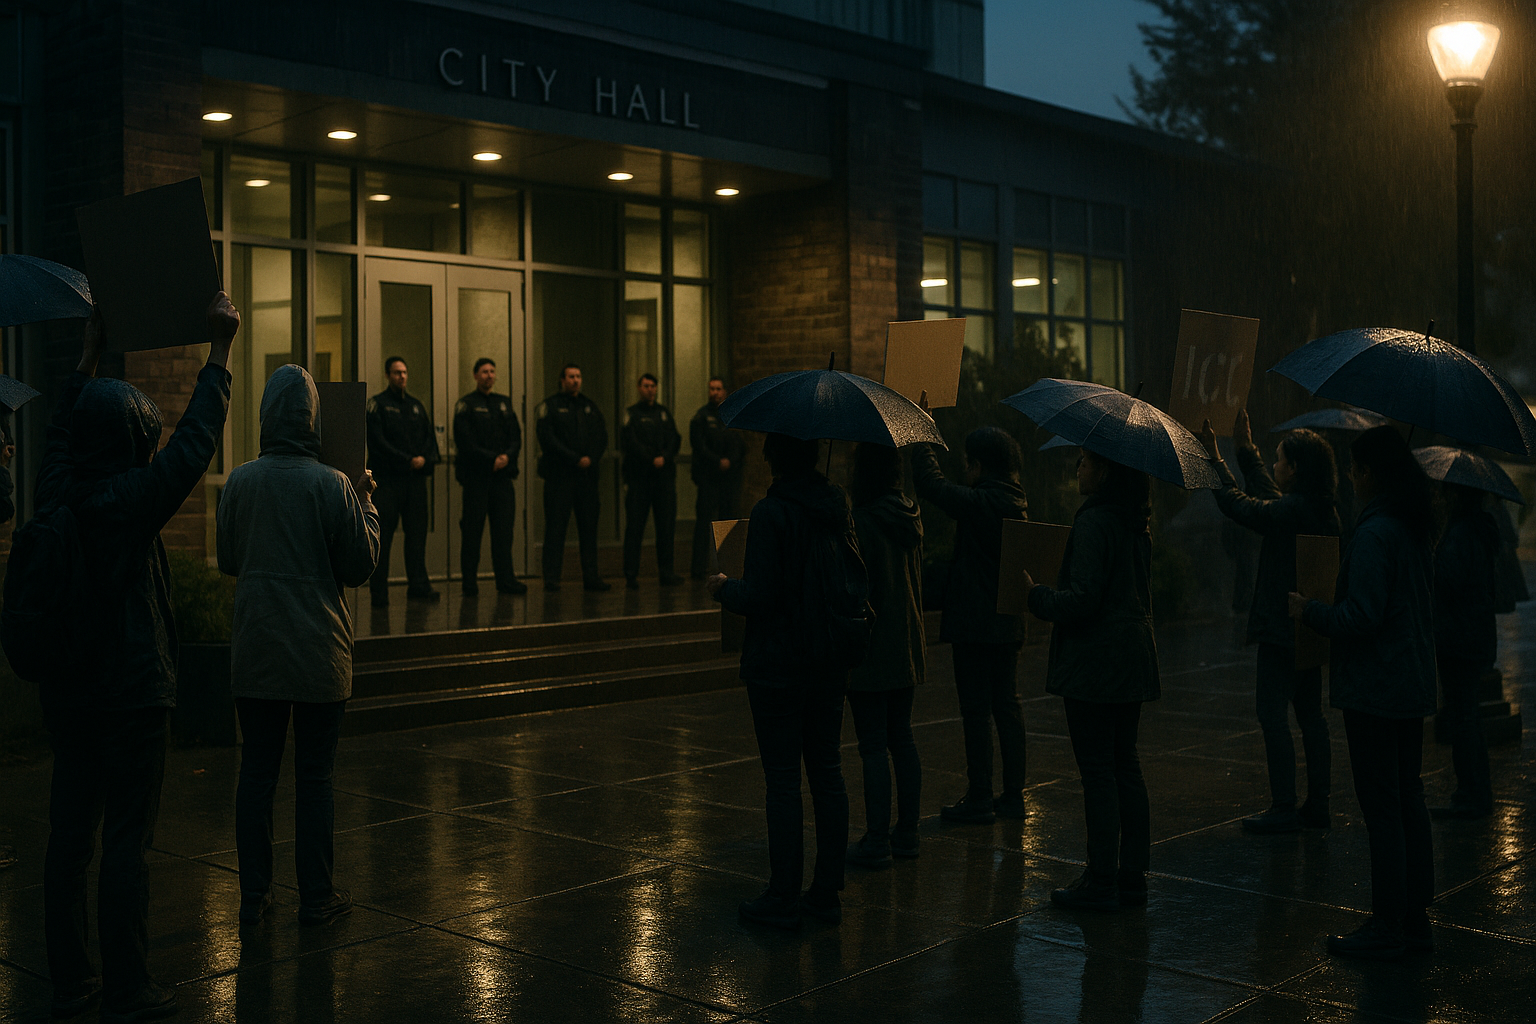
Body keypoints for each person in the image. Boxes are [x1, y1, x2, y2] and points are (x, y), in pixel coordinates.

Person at [37, 294, 239, 1023]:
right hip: (130, 694)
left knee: (68, 837)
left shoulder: (56, 491)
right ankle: (127, 985)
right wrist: (218, 353)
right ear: (129, 443)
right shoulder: (128, 501)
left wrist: (86, 358)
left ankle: (70, 980)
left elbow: (59, 431)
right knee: (127, 841)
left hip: (69, 693)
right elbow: (194, 445)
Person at [216, 365, 381, 928]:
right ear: (312, 420)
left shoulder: (239, 481)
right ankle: (316, 896)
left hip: (257, 649)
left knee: (256, 774)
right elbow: (359, 566)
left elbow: (230, 560)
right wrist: (367, 505)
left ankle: (253, 896)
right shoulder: (333, 483)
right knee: (315, 778)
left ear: (266, 417)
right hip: (319, 653)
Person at [1290, 425, 1437, 961]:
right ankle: (1415, 916)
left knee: (1383, 807)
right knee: (1408, 798)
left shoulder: (1377, 533)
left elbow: (1362, 615)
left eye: (1355, 469)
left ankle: (1386, 922)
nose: (1350, 480)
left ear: (1370, 473)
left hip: (1377, 688)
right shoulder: (1413, 526)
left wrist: (1311, 611)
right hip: (1410, 680)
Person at [706, 433, 851, 928]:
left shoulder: (772, 513)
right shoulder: (836, 507)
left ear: (773, 458)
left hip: (780, 663)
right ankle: (827, 892)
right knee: (827, 773)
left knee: (784, 781)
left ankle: (783, 892)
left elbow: (762, 596)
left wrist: (725, 589)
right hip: (829, 659)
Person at [1023, 449, 1158, 911]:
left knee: (1099, 771)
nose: (1077, 467)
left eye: (1084, 461)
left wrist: (1037, 596)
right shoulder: (1137, 521)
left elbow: (1081, 600)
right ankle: (1132, 879)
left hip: (1096, 663)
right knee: (1126, 765)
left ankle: (1101, 881)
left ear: (1106, 470)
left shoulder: (1095, 522)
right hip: (1131, 658)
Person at [1197, 411, 1340, 833]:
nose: (1276, 466)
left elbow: (1244, 507)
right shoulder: (1318, 508)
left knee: (1272, 713)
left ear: (1294, 469)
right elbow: (1270, 497)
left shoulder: (1296, 510)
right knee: (1311, 716)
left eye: (1279, 459)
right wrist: (1246, 451)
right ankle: (1318, 805)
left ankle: (1284, 806)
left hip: (1283, 629)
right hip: (1309, 630)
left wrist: (1215, 461)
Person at [911, 426, 1029, 824]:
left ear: (979, 466)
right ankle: (1013, 796)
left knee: (977, 712)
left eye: (967, 463)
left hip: (976, 625)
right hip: (1007, 623)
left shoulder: (984, 502)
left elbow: (932, 484)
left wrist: (921, 433)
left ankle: (980, 797)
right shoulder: (1015, 500)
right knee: (1007, 706)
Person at [845, 443, 924, 868]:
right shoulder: (910, 514)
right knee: (902, 737)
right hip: (906, 645)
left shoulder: (861, 521)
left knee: (873, 745)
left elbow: (856, 584)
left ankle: (877, 839)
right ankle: (907, 833)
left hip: (873, 646)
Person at [1427, 482, 1496, 820]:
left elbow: (1448, 581)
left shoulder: (1460, 534)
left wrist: (1432, 558)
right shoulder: (1477, 530)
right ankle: (1474, 791)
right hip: (1471, 636)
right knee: (1467, 715)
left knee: (1463, 717)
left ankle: (1470, 794)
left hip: (1459, 637)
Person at [366, 357, 439, 607]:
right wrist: (407, 460)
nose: (402, 377)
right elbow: (377, 443)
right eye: (397, 373)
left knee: (417, 537)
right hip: (388, 482)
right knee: (382, 539)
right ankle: (379, 593)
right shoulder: (378, 405)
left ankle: (419, 585)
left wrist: (423, 460)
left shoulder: (416, 407)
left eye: (405, 372)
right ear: (388, 375)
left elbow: (430, 440)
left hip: (414, 483)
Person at [453, 357, 526, 596]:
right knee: (472, 534)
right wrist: (490, 459)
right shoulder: (466, 404)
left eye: (492, 371)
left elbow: (516, 436)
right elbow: (465, 441)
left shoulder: (503, 403)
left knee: (503, 533)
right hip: (477, 479)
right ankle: (469, 584)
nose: (489, 375)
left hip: (502, 479)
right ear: (475, 375)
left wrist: (506, 457)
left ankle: (506, 581)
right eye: (484, 372)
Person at [536, 363, 609, 592]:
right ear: (562, 380)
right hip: (560, 478)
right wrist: (574, 458)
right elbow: (547, 439)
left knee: (589, 530)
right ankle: (551, 578)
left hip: (586, 479)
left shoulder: (590, 406)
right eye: (571, 376)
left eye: (578, 376)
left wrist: (590, 458)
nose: (575, 380)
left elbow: (602, 436)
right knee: (556, 529)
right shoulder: (551, 406)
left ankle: (591, 577)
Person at [620, 373, 682, 588]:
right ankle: (630, 574)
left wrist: (664, 457)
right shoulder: (632, 414)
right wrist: (650, 458)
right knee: (635, 528)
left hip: (663, 480)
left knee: (666, 528)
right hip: (639, 480)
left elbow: (675, 438)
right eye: (646, 386)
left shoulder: (663, 413)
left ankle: (666, 573)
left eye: (653, 386)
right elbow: (630, 442)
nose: (650, 390)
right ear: (639, 387)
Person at [689, 377, 746, 579]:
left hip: (729, 480)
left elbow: (740, 446)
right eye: (711, 389)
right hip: (709, 478)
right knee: (704, 523)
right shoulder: (701, 417)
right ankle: (698, 569)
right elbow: (699, 446)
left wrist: (731, 461)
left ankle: (727, 567)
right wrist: (717, 461)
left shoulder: (731, 416)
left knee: (728, 523)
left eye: (718, 389)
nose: (714, 392)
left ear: (725, 391)